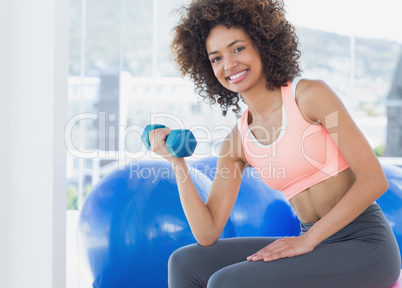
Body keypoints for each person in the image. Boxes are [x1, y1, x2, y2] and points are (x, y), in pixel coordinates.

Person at [149, 0, 401, 287]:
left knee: (226, 282)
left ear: (262, 43)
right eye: (216, 57)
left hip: (364, 244)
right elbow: (207, 233)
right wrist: (176, 162)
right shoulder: (237, 142)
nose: (229, 64)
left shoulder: (309, 96)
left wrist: (308, 240)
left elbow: (374, 181)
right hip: (312, 243)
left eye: (238, 48)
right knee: (184, 262)